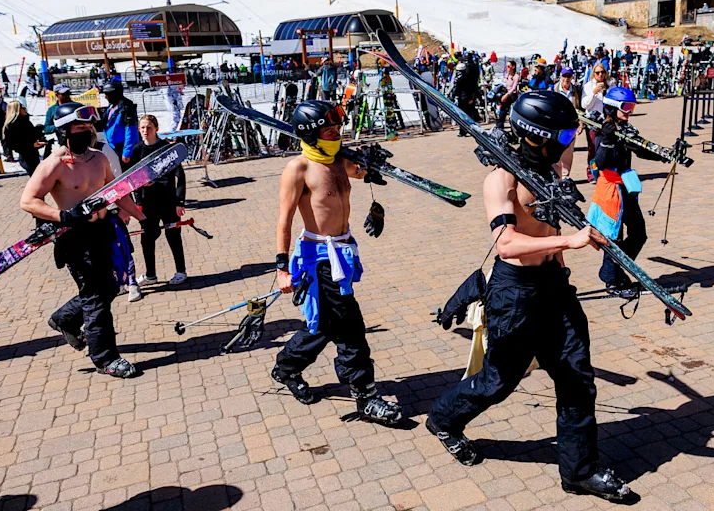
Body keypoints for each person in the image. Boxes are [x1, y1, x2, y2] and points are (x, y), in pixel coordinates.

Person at [426, 92, 633, 502]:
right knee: (499, 381)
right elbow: (505, 243)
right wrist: (570, 240)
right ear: (536, 136)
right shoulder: (500, 179)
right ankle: (443, 418)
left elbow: (566, 183)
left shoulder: (552, 167)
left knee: (577, 380)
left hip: (555, 289)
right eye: (561, 134)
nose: (567, 141)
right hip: (515, 295)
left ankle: (579, 471)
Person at [270, 100, 403, 425]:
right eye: (329, 131)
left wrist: (373, 165)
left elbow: (364, 172)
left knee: (326, 325)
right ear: (311, 134)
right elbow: (284, 220)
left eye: (337, 129)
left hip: (342, 251)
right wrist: (282, 268)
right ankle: (366, 398)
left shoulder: (340, 159)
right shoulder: (298, 169)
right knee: (351, 329)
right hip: (318, 259)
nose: (336, 134)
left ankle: (286, 367)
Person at [20, 102, 146, 379]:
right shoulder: (52, 165)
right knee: (96, 298)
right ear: (64, 132)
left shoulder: (98, 159)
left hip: (104, 231)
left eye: (89, 128)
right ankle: (105, 358)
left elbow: (117, 192)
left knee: (112, 285)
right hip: (75, 238)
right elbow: (28, 201)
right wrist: (63, 215)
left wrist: (140, 216)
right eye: (80, 128)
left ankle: (65, 318)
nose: (87, 133)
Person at [588, 88, 663, 292]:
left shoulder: (625, 128)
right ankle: (612, 280)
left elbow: (640, 150)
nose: (629, 111)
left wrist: (665, 154)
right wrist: (607, 139)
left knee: (639, 233)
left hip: (626, 188)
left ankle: (616, 271)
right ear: (612, 107)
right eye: (626, 107)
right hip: (611, 189)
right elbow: (601, 162)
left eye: (632, 107)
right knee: (614, 237)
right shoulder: (603, 130)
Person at [133, 115, 187, 291]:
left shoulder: (166, 149)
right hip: (148, 203)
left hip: (168, 200)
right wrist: (137, 203)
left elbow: (180, 176)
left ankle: (181, 271)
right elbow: (132, 179)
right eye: (142, 128)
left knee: (173, 235)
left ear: (156, 128)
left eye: (148, 127)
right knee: (147, 239)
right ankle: (150, 275)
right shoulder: (137, 149)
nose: (145, 131)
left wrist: (180, 202)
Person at [100, 82, 139, 169]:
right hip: (112, 147)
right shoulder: (111, 107)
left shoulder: (126, 108)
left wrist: (127, 152)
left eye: (107, 94)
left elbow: (131, 131)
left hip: (122, 148)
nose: (105, 97)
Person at [581, 64, 609, 181]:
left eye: (602, 72)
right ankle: (592, 173)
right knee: (593, 149)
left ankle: (604, 173)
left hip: (606, 121)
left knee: (606, 148)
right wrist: (594, 93)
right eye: (597, 73)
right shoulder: (588, 86)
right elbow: (585, 105)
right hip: (593, 122)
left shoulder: (610, 85)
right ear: (594, 73)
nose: (600, 75)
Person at [554, 67, 582, 178]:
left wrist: (581, 123)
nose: (566, 78)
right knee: (555, 152)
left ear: (572, 77)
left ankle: (565, 176)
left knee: (568, 153)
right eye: (564, 76)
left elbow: (580, 108)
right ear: (560, 76)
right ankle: (556, 176)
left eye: (569, 76)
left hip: (570, 126)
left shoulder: (576, 91)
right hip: (556, 126)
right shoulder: (554, 89)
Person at [3, 100, 45, 176]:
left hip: (34, 154)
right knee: (36, 179)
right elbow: (14, 145)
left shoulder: (25, 121)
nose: (24, 108)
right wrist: (32, 145)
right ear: (16, 109)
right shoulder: (11, 126)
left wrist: (38, 132)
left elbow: (30, 135)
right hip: (26, 158)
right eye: (22, 107)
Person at [452, 59, 480, 137]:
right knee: (469, 114)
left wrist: (453, 96)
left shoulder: (459, 78)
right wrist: (473, 97)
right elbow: (474, 87)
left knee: (463, 115)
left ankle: (463, 131)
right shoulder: (470, 77)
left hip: (463, 98)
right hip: (469, 98)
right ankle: (471, 130)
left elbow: (456, 88)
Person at [495, 61, 521, 131]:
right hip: (506, 92)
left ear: (513, 67)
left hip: (512, 95)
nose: (507, 68)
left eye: (508, 66)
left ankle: (514, 130)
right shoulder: (507, 75)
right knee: (502, 111)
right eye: (506, 66)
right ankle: (499, 127)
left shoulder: (516, 76)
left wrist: (507, 95)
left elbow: (514, 88)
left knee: (512, 113)